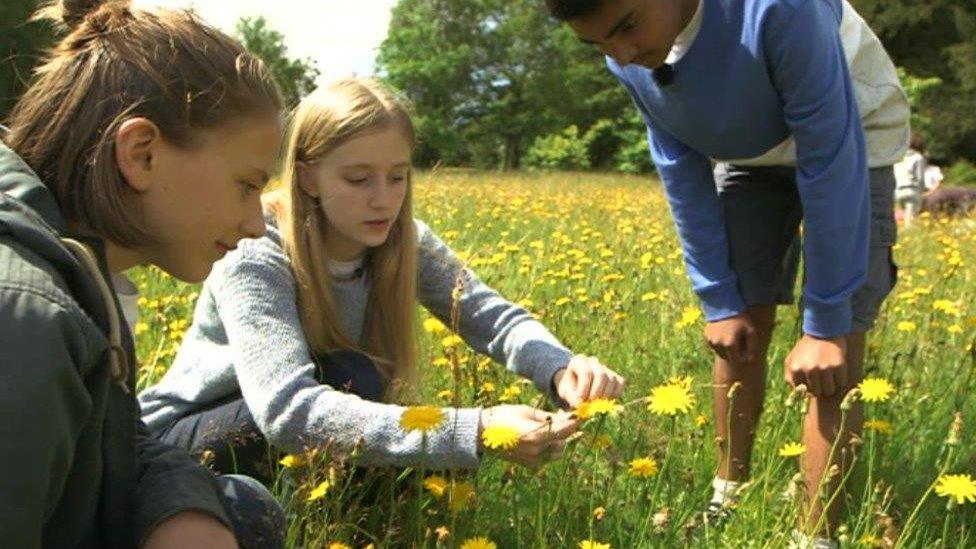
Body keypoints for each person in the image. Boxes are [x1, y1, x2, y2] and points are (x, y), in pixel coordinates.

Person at [544, 0, 909, 545]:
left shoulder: (781, 11)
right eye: (597, 45)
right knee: (738, 330)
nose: (620, 56)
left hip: (851, 131)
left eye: (626, 28)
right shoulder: (626, 56)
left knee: (834, 360)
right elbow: (676, 162)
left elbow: (829, 156)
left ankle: (815, 537)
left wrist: (826, 325)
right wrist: (720, 300)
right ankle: (728, 494)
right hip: (752, 151)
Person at [139, 77, 626, 482]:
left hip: (286, 428)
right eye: (359, 179)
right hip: (180, 441)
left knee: (397, 434)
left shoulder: (403, 240)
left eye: (397, 176)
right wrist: (476, 430)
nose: (383, 199)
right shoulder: (255, 248)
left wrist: (562, 369)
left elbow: (492, 318)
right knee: (365, 390)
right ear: (307, 178)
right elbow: (286, 411)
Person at [0, 1, 288, 547]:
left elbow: (115, 434)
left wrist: (182, 510)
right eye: (246, 185)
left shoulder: (76, 269)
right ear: (141, 154)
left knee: (239, 508)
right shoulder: (25, 316)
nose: (255, 225)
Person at [894, 133, 928, 226]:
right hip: (912, 190)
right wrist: (922, 191)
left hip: (898, 191)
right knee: (911, 219)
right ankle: (911, 234)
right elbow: (920, 178)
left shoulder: (898, 156)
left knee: (904, 215)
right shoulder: (918, 157)